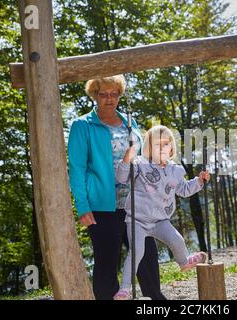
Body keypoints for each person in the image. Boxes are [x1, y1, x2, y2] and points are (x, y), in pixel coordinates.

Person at [68, 75, 166, 300]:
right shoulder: (82, 126)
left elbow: (141, 162)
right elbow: (77, 169)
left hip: (137, 205)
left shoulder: (131, 123)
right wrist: (82, 206)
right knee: (107, 264)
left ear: (119, 95)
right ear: (95, 95)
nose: (109, 99)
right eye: (103, 94)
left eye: (114, 94)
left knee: (147, 259)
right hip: (103, 207)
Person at [113, 125, 210, 300]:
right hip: (137, 220)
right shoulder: (140, 165)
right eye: (157, 144)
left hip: (160, 220)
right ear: (149, 147)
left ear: (172, 147)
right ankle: (124, 289)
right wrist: (126, 160)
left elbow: (184, 189)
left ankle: (184, 262)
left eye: (166, 144)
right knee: (136, 253)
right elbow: (121, 178)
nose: (163, 148)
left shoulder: (175, 170)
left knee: (177, 239)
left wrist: (199, 181)